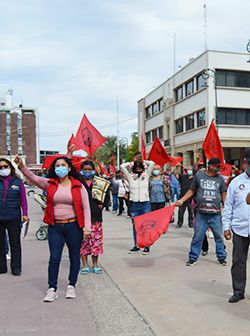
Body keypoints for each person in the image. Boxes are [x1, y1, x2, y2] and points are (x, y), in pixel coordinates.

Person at [14, 155, 91, 302]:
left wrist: (87, 228)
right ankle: (52, 289)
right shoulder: (50, 184)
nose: (60, 168)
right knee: (54, 258)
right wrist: (22, 167)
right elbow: (33, 178)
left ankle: (71, 286)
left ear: (69, 168)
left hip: (74, 226)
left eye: (63, 165)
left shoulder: (78, 186)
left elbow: (86, 208)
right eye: (57, 166)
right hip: (55, 227)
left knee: (74, 257)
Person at [176, 157, 227, 266]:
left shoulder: (220, 179)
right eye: (217, 166)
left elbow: (223, 193)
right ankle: (193, 257)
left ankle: (221, 257)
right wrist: (181, 200)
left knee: (219, 237)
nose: (219, 169)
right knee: (197, 237)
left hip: (215, 214)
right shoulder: (199, 176)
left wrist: (226, 206)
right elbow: (191, 190)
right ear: (211, 166)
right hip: (201, 214)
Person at [223, 149, 250, 303]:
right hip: (240, 228)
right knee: (238, 262)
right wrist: (226, 226)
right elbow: (228, 206)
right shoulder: (236, 182)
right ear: (245, 163)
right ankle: (238, 291)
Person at [78, 160, 110, 275]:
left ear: (93, 170)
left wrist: (103, 204)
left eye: (89, 169)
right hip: (82, 218)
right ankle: (85, 265)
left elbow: (106, 194)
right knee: (83, 243)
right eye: (85, 170)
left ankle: (95, 265)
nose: (87, 172)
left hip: (96, 217)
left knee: (96, 242)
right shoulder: (78, 182)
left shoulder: (99, 182)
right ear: (81, 170)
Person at [0, 158, 29, 276]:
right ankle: (2, 267)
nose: (3, 169)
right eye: (0, 167)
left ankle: (16, 268)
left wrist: (25, 214)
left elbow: (23, 200)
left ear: (10, 168)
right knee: (1, 243)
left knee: (15, 243)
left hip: (14, 217)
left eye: (5, 167)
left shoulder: (18, 182)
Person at [120, 159, 154, 255]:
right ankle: (137, 245)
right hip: (134, 204)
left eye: (140, 168)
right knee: (136, 226)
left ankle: (147, 246)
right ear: (134, 168)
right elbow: (122, 166)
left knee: (146, 226)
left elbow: (152, 163)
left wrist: (143, 161)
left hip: (145, 204)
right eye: (137, 168)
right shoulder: (130, 177)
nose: (139, 169)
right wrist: (131, 162)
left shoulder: (146, 176)